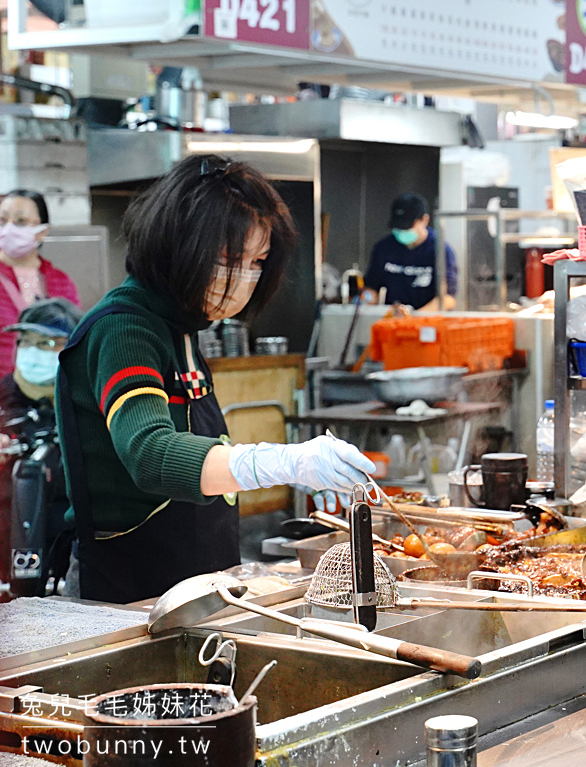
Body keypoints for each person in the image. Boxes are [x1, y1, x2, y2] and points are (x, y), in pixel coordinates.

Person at [57, 155, 376, 604]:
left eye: (257, 261)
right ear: (178, 245)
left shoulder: (183, 326)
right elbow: (149, 453)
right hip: (126, 592)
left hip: (192, 581)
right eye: (229, 259)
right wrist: (276, 462)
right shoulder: (124, 329)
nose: (245, 276)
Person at [0, 298, 82, 599]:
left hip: (69, 566)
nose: (35, 352)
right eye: (28, 342)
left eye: (49, 343)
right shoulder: (4, 400)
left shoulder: (84, 406)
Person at [0, 189, 80, 377]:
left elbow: (74, 340)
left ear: (42, 231)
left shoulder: (61, 282)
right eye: (2, 221)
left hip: (50, 392)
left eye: (20, 222)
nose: (8, 229)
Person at [364, 192, 458, 311]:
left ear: (424, 220)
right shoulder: (384, 248)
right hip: (393, 319)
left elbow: (447, 299)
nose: (402, 232)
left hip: (428, 320)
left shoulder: (440, 251)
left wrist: (415, 318)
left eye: (407, 227)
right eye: (398, 227)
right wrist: (364, 302)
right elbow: (371, 288)